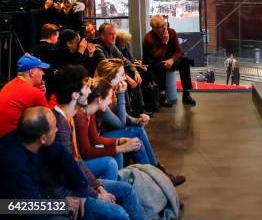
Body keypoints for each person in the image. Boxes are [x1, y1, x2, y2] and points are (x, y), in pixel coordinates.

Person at [48, 66, 146, 220]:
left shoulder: (68, 117)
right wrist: (96, 194)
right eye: (86, 86)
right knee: (119, 214)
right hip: (66, 192)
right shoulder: (60, 126)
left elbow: (77, 160)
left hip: (73, 185)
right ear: (75, 95)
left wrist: (99, 187)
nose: (89, 91)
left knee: (126, 190)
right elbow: (67, 173)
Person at [94, 59, 186, 187]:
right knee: (136, 131)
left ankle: (155, 177)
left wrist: (138, 119)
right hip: (97, 140)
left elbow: (124, 117)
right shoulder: (101, 95)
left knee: (137, 135)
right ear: (110, 77)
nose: (124, 78)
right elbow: (120, 124)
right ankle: (156, 175)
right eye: (121, 75)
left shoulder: (110, 90)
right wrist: (121, 95)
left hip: (102, 136)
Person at [0, 106, 88, 218]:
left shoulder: (37, 140)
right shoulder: (12, 163)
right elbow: (18, 207)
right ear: (43, 138)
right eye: (54, 128)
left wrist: (81, 190)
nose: (57, 130)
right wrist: (62, 205)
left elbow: (67, 160)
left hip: (47, 198)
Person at [75, 80, 142, 178]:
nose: (111, 101)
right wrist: (121, 148)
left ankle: (117, 183)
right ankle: (113, 188)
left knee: (117, 154)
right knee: (110, 162)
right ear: (100, 100)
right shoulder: (81, 117)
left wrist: (119, 141)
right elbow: (86, 152)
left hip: (82, 158)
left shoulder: (90, 113)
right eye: (110, 98)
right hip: (78, 163)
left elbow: (95, 140)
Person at [143, 15, 196, 106]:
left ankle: (186, 94)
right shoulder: (149, 38)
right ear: (155, 29)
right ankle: (162, 96)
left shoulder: (171, 32)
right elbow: (157, 57)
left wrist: (172, 60)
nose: (165, 27)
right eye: (162, 26)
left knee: (185, 62)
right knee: (160, 66)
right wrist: (164, 43)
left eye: (165, 24)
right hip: (154, 61)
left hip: (169, 59)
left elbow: (179, 50)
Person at [0, 55, 49, 138]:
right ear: (32, 72)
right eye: (41, 69)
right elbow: (49, 120)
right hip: (13, 143)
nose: (43, 73)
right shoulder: (35, 93)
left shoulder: (9, 84)